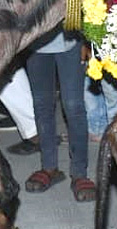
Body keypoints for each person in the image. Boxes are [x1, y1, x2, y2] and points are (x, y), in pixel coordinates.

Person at [22, 26, 90, 202]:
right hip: (35, 41)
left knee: (74, 106)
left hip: (71, 40)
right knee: (41, 104)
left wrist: (87, 40)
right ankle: (49, 167)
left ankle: (79, 173)